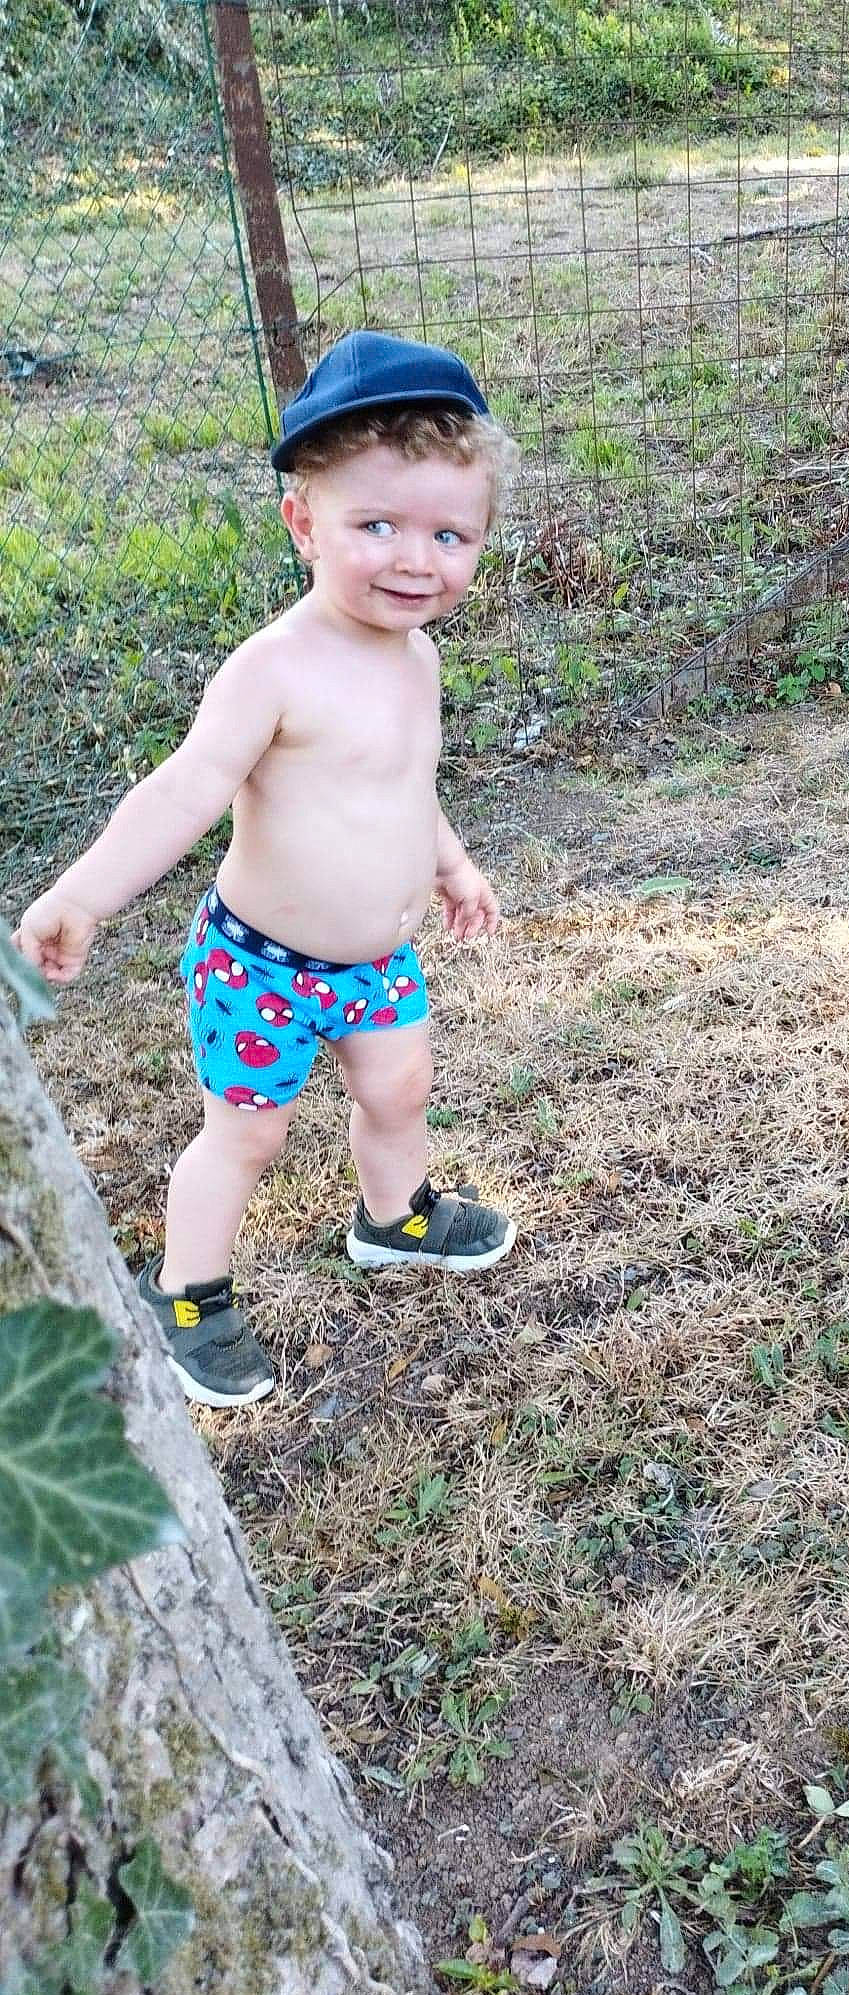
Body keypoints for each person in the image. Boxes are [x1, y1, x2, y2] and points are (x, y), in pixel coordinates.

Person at [14, 331, 519, 1407]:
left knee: (399, 1089)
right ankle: (187, 1291)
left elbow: (404, 784)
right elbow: (184, 793)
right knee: (246, 1132)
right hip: (264, 967)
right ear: (303, 523)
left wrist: (453, 864)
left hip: (378, 960)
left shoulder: (418, 652)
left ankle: (395, 1221)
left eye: (449, 534)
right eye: (374, 525)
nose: (414, 560)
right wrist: (84, 894)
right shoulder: (275, 669)